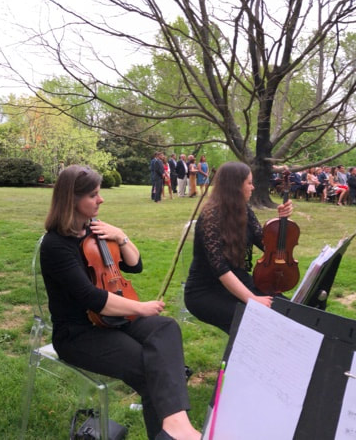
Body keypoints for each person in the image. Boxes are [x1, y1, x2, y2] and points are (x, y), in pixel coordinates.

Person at [38, 165, 200, 439]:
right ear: (72, 200)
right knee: (151, 368)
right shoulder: (55, 246)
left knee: (166, 328)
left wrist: (120, 235)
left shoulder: (94, 230)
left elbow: (135, 265)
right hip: (78, 333)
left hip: (113, 321)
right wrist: (140, 307)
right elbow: (94, 298)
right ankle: (174, 431)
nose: (101, 200)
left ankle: (176, 426)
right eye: (93, 195)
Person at [184, 162, 293, 335]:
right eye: (249, 183)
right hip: (206, 292)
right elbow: (221, 270)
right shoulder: (210, 217)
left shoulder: (244, 210)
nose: (253, 187)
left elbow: (266, 245)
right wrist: (252, 299)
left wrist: (280, 222)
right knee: (256, 321)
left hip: (239, 280)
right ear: (235, 185)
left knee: (287, 310)